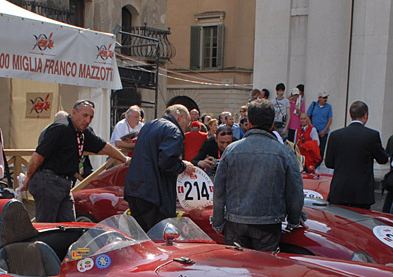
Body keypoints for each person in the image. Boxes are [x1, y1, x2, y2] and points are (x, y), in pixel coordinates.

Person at [211, 99, 304, 251]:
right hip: (268, 225)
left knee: (236, 271)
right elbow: (295, 191)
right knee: (263, 271)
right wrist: (294, 220)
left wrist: (218, 222)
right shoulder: (284, 152)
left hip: (235, 223)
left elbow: (219, 190)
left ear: (249, 121)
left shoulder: (231, 150)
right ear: (272, 123)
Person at [24, 100, 128, 222]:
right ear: (74, 112)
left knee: (69, 225)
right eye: (85, 115)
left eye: (91, 117)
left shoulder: (83, 132)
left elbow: (104, 146)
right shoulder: (60, 128)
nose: (88, 120)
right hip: (48, 180)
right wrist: (28, 178)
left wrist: (125, 159)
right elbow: (38, 156)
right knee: (46, 225)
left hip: (65, 183)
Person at [124, 103, 197, 231]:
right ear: (180, 117)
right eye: (187, 123)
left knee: (140, 236)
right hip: (154, 193)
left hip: (135, 189)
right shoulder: (173, 130)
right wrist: (182, 166)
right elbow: (166, 162)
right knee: (158, 236)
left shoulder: (148, 125)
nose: (186, 129)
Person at [324, 101, 388, 209]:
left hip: (340, 189)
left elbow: (329, 163)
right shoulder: (372, 135)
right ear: (365, 115)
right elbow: (383, 159)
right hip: (361, 192)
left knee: (338, 222)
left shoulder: (335, 135)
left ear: (350, 115)